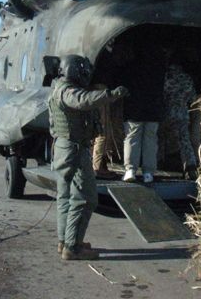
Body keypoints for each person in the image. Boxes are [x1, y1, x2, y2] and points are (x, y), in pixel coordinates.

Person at [48, 54, 128, 260]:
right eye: (82, 70)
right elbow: (82, 101)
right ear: (74, 71)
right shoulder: (67, 90)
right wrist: (109, 95)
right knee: (86, 198)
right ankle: (72, 247)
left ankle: (65, 241)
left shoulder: (57, 87)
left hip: (64, 147)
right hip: (74, 149)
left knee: (65, 196)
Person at [120, 43, 166, 183]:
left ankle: (130, 170)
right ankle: (148, 173)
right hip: (153, 109)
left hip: (134, 108)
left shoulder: (130, 66)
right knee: (150, 140)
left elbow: (123, 83)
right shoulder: (160, 67)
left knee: (132, 137)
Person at [91, 41, 125, 179]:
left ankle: (100, 164)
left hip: (97, 90)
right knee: (103, 131)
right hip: (102, 90)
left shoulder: (97, 53)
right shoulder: (105, 56)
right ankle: (98, 166)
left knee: (102, 130)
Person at [161, 60, 198, 180]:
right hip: (182, 113)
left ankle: (158, 163)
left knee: (159, 137)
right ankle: (190, 167)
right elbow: (192, 98)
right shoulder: (187, 78)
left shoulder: (166, 77)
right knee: (184, 140)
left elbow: (161, 94)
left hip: (166, 112)